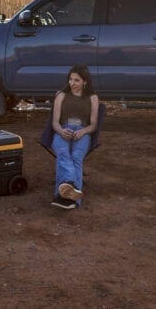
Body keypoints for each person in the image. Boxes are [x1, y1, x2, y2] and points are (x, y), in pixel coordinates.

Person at [49, 64, 99, 210]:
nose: (72, 83)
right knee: (63, 153)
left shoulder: (92, 98)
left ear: (85, 81)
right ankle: (70, 188)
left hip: (82, 132)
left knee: (76, 156)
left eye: (76, 80)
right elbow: (54, 122)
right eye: (70, 79)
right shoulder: (61, 95)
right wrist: (61, 131)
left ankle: (64, 196)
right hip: (62, 130)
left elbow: (94, 125)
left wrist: (83, 132)